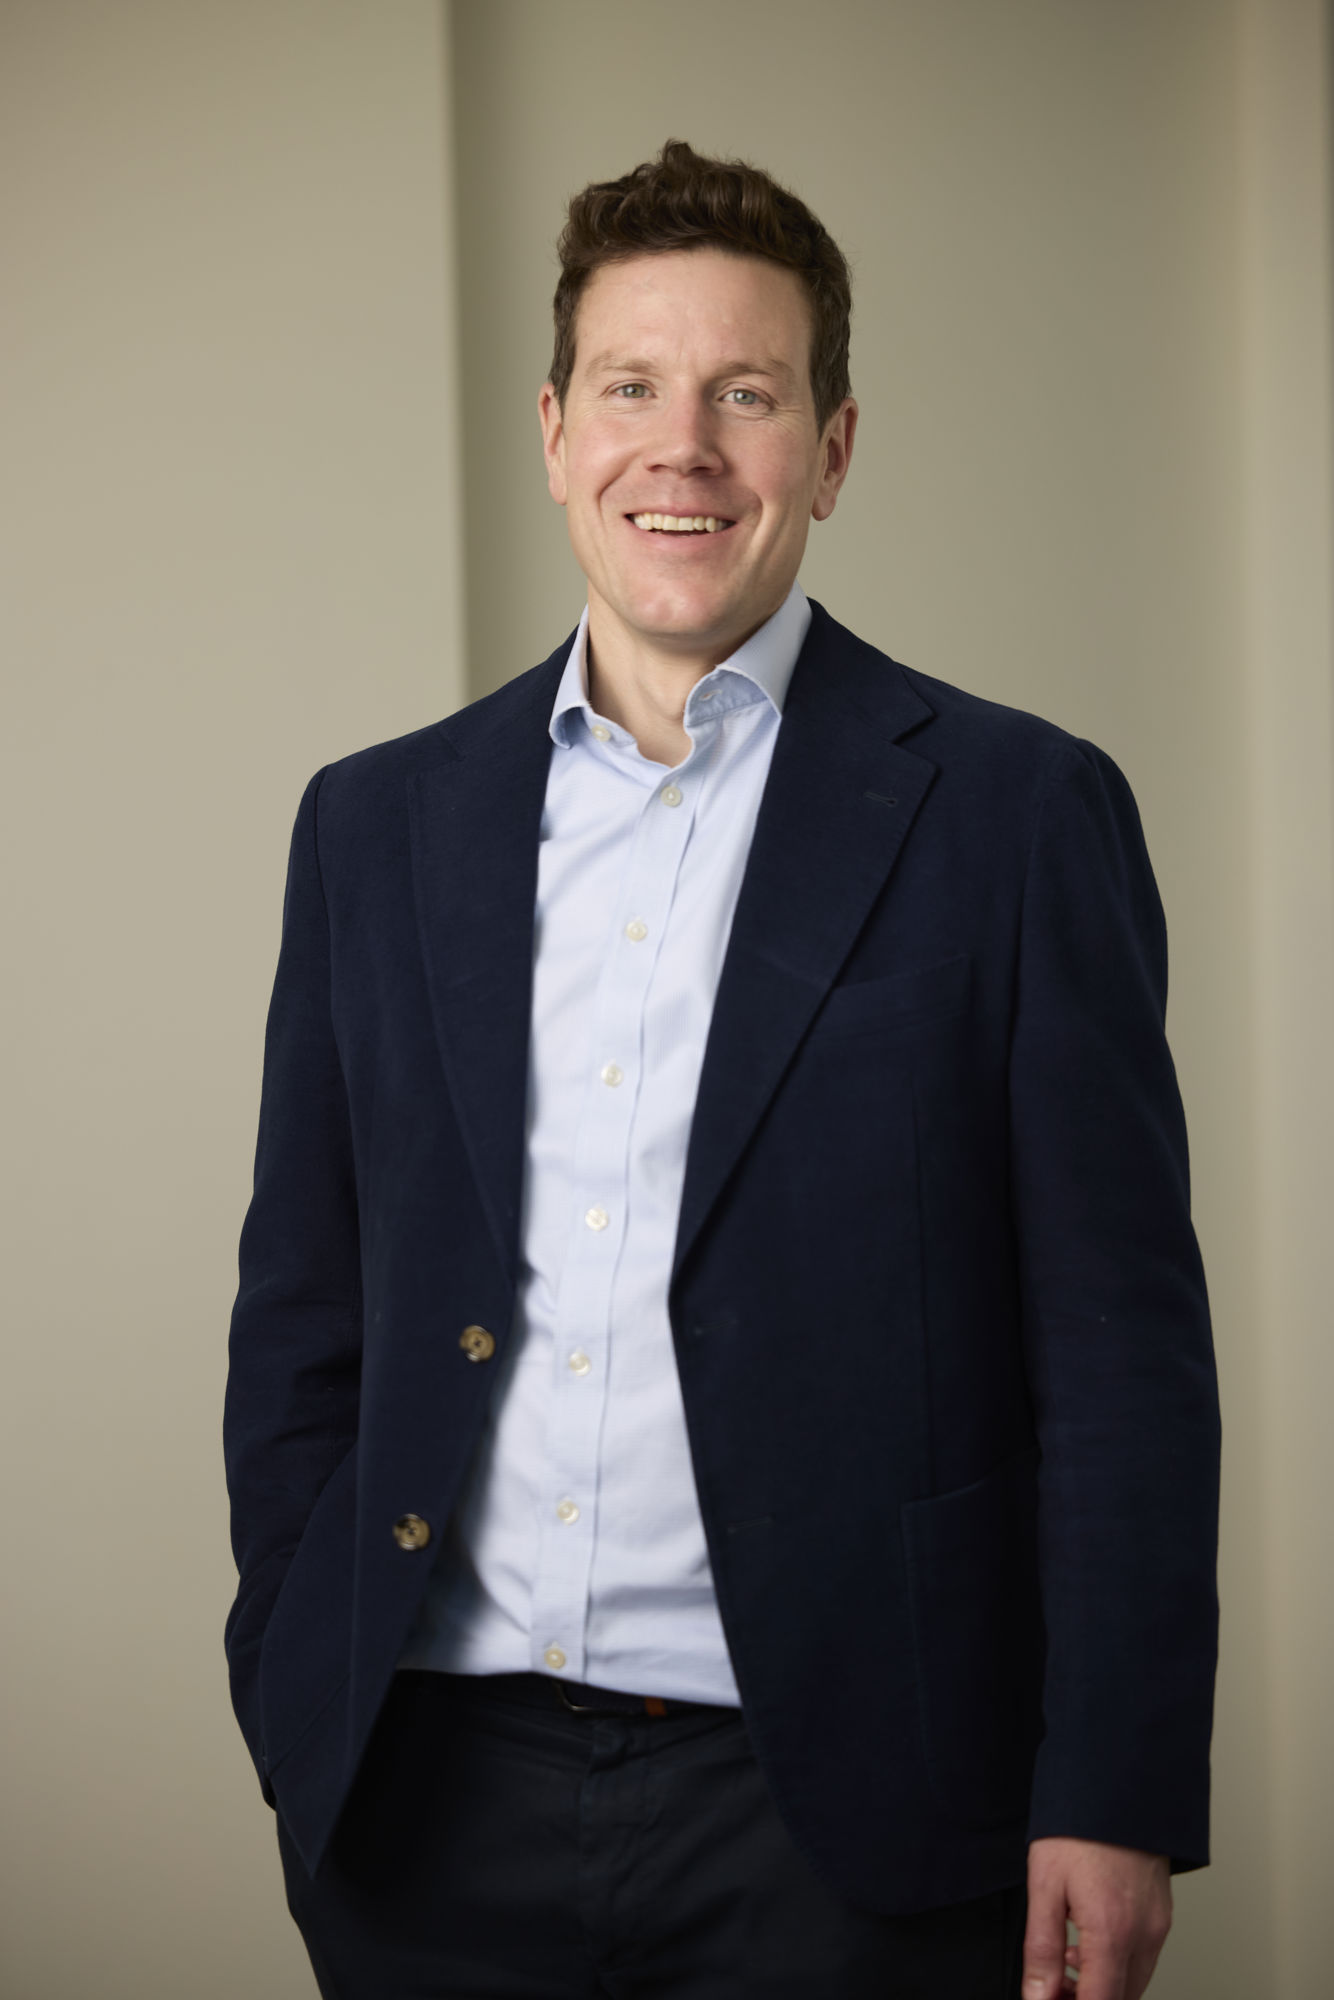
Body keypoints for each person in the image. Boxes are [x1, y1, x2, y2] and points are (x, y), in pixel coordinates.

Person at [224, 140, 1220, 1999]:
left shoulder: (1014, 816)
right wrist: (296, 1684)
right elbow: (304, 1313)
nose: (679, 447)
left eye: (745, 395)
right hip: (426, 1792)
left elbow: (1119, 1353)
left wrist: (1114, 1779)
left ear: (830, 450)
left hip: (852, 1813)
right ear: (552, 430)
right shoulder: (372, 828)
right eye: (631, 388)